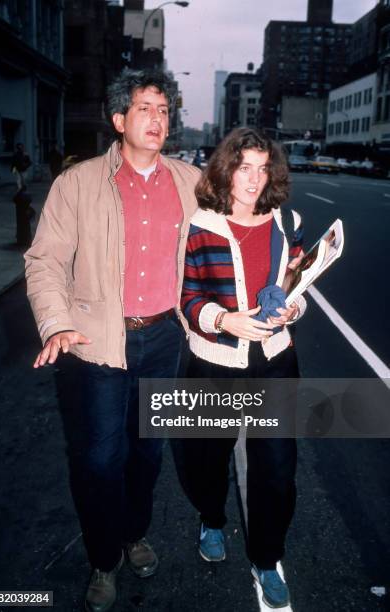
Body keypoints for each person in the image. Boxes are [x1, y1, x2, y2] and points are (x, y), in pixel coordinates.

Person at [24, 68, 200, 612]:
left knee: (147, 455)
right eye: (145, 108)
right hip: (97, 342)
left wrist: (282, 269)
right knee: (101, 460)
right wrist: (55, 322)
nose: (157, 119)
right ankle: (103, 559)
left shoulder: (191, 182)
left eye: (164, 110)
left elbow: (232, 236)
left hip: (165, 339)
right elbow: (45, 260)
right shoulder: (76, 185)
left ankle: (134, 533)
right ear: (119, 119)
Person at [180, 128, 306, 609]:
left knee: (277, 469)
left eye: (262, 168)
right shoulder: (201, 225)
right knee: (205, 460)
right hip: (215, 361)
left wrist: (293, 309)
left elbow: (297, 281)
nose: (254, 179)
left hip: (274, 361)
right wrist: (224, 319)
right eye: (243, 167)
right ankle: (212, 520)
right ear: (226, 169)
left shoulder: (287, 221)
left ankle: (267, 556)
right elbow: (188, 297)